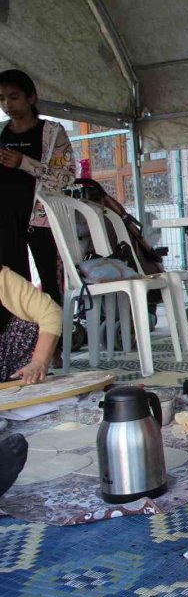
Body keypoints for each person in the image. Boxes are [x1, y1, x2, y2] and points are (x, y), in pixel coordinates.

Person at [0, 69, 76, 306]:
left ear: (31, 97)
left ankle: (56, 328)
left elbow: (66, 176)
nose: (7, 104)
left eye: (13, 97)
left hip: (44, 219)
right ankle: (21, 330)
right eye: (1, 99)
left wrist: (23, 162)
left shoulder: (52, 132)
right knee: (13, 286)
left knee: (51, 283)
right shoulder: (1, 132)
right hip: (6, 220)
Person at [0, 255, 62, 384]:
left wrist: (39, 361)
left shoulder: (2, 278)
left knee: (26, 323)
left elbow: (50, 312)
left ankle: (23, 377)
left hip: (6, 362)